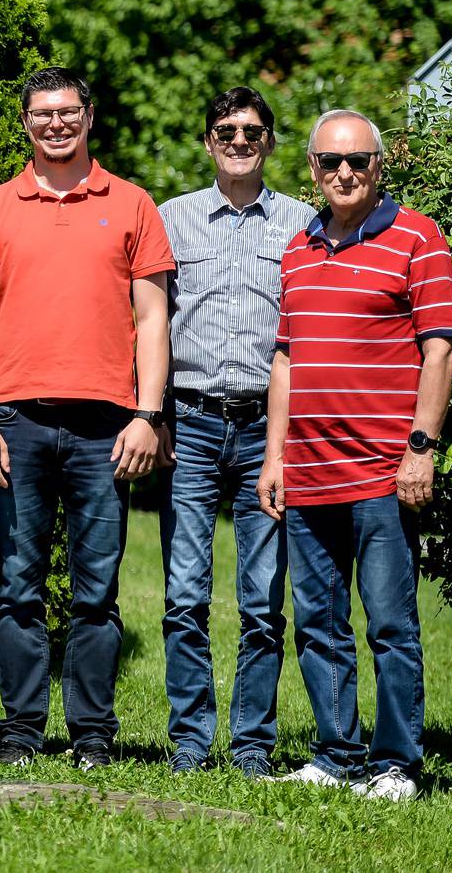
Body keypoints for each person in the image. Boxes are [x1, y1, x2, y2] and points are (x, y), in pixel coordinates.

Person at [0, 66, 175, 771]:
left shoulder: (133, 203)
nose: (56, 123)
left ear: (88, 117)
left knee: (97, 592)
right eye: (43, 113)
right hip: (15, 421)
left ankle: (92, 735)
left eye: (68, 111)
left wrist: (148, 413)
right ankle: (19, 733)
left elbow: (153, 318)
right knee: (18, 584)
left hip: (106, 427)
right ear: (26, 122)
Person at [258, 109, 452, 801]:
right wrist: (274, 456)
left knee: (391, 624)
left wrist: (420, 450)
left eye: (359, 161)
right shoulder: (298, 246)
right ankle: (337, 753)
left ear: (379, 166)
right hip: (308, 471)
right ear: (312, 169)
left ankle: (396, 762)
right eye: (331, 162)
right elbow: (286, 358)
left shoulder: (417, 237)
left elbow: (440, 348)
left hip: (381, 471)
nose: (345, 173)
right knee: (318, 624)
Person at [155, 88, 315, 779]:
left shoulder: (304, 225)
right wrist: (152, 412)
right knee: (184, 592)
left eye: (253, 130)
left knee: (261, 598)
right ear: (208, 139)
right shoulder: (172, 220)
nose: (240, 140)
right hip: (188, 422)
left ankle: (252, 742)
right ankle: (190, 740)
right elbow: (147, 324)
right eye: (227, 130)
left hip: (266, 430)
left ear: (270, 142)